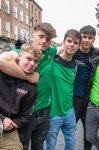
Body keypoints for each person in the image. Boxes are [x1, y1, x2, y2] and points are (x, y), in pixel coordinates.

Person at [0, 22, 57, 150]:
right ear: (32, 36)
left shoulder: (50, 52)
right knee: (22, 146)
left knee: (38, 146)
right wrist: (28, 77)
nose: (44, 41)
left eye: (48, 39)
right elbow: (1, 61)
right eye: (41, 36)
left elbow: (66, 48)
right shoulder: (20, 52)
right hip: (23, 115)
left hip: (44, 113)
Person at [0, 43, 42, 150]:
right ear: (19, 56)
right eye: (28, 58)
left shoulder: (32, 88)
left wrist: (12, 123)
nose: (32, 63)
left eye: (36, 61)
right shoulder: (2, 73)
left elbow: (26, 115)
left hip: (8, 130)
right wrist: (2, 118)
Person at [45, 29, 82, 150]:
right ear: (63, 42)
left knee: (71, 143)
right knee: (50, 145)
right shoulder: (52, 60)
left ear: (78, 46)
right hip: (53, 113)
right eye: (69, 41)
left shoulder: (76, 65)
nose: (72, 44)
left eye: (75, 42)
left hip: (69, 112)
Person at [73, 25, 99, 150]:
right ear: (80, 37)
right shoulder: (72, 51)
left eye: (90, 37)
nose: (86, 40)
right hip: (73, 98)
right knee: (69, 129)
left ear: (94, 39)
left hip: (89, 99)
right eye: (84, 36)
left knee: (89, 134)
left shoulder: (96, 54)